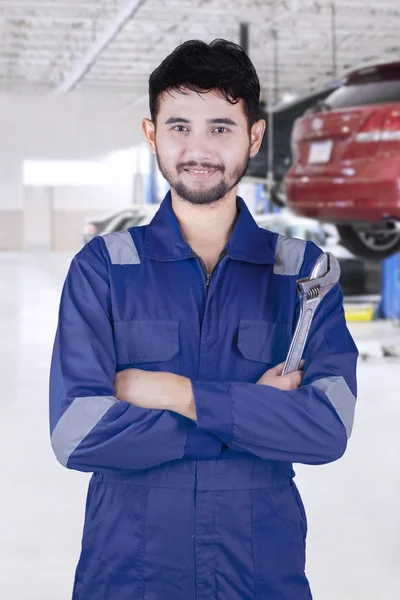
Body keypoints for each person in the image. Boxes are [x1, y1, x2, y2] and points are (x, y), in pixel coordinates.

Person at [49, 39, 358, 600]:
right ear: (152, 135)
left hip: (260, 574)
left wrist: (179, 393)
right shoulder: (105, 268)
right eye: (179, 127)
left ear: (253, 136)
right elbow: (77, 434)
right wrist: (250, 416)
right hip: (129, 574)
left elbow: (327, 429)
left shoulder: (305, 274)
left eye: (220, 127)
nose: (199, 148)